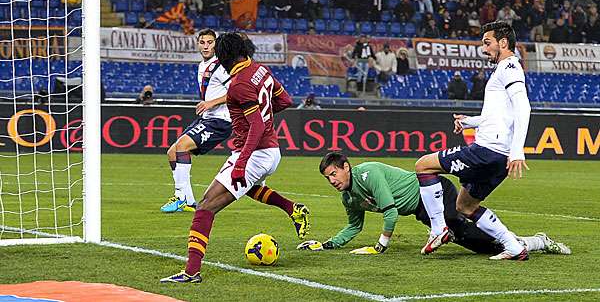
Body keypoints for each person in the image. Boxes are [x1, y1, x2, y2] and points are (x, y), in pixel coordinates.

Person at [160, 32, 311, 283]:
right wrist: (265, 113)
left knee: (206, 206)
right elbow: (285, 100)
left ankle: (191, 272)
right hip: (272, 151)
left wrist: (241, 163)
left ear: (223, 57)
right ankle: (292, 208)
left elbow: (257, 126)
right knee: (248, 189)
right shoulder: (260, 69)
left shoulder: (239, 83)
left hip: (254, 153)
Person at [297, 153, 571, 257]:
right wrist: (327, 244)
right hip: (423, 212)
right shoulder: (348, 197)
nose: (332, 180)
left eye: (334, 173)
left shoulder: (368, 172)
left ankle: (533, 243)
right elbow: (353, 226)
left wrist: (380, 245)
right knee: (477, 244)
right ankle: (532, 242)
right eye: (327, 178)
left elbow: (390, 212)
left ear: (346, 167)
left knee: (468, 230)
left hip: (434, 193)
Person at [414, 21, 532, 260]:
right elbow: (499, 115)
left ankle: (438, 230)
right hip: (498, 157)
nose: (484, 48)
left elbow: (523, 107)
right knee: (464, 206)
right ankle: (514, 246)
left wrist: (518, 151)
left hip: (487, 151)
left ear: (503, 42)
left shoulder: (509, 67)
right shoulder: (504, 70)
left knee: (423, 165)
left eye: (487, 43)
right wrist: (470, 122)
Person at [160, 29, 230, 213]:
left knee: (182, 145)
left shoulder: (222, 66)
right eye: (202, 42)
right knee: (172, 152)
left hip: (220, 120)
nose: (206, 46)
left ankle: (181, 197)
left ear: (216, 44)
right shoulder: (202, 65)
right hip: (207, 118)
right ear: (197, 44)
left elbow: (236, 91)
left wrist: (211, 103)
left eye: (210, 42)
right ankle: (189, 201)